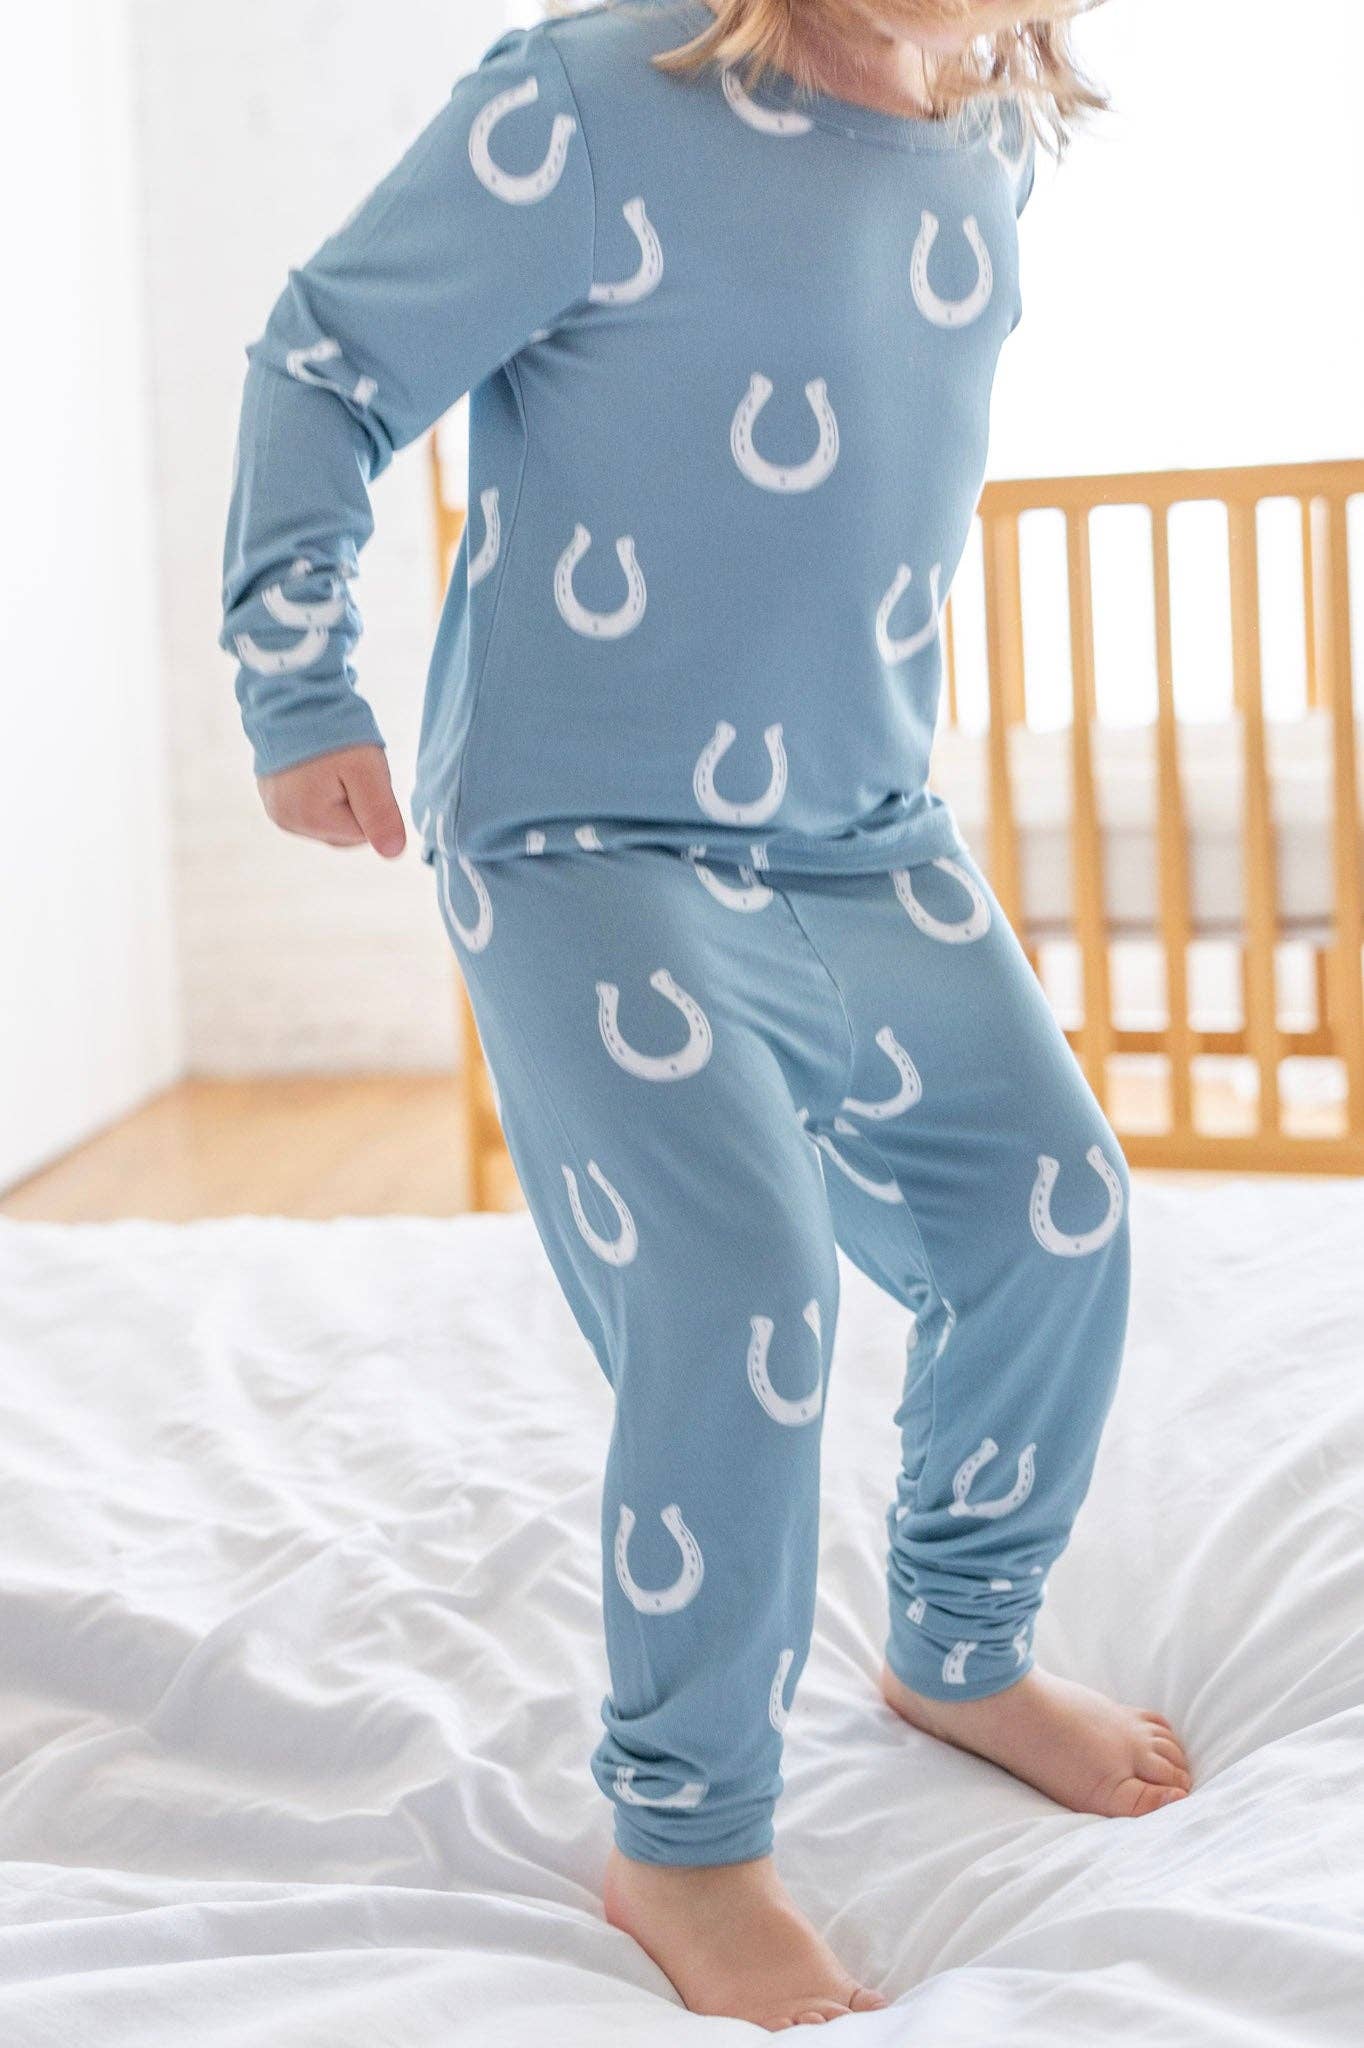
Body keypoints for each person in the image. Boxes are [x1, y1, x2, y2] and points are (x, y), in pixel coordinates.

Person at [220, 0, 1192, 2026]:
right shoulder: (584, 105)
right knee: (740, 1286)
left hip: (863, 830)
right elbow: (323, 357)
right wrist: (299, 683)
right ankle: (683, 1836)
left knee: (1056, 1219)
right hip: (582, 835)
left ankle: (959, 1645)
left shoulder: (984, 146)